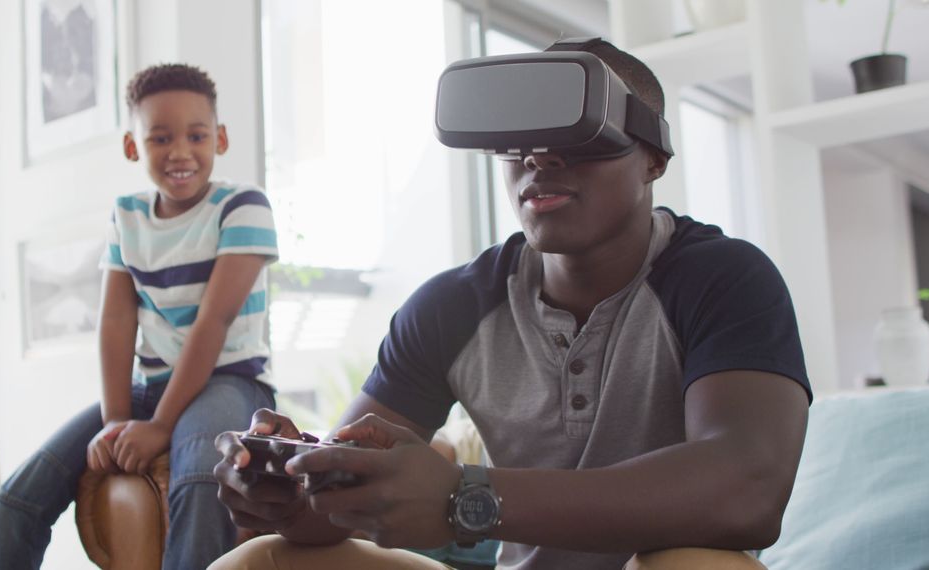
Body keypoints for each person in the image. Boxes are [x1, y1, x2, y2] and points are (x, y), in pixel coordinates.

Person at [211, 39, 811, 570]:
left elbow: (748, 492)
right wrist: (291, 490)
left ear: (653, 156)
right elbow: (344, 509)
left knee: (691, 568)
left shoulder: (725, 278)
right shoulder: (453, 305)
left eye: (579, 131)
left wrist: (468, 498)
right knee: (262, 561)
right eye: (520, 135)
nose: (539, 155)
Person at [0, 63, 279, 570]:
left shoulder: (243, 206)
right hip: (150, 387)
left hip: (231, 381)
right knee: (17, 500)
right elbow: (116, 322)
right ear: (131, 146)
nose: (179, 152)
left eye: (196, 135)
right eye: (160, 138)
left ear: (220, 139)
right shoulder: (127, 214)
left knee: (201, 481)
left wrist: (161, 425)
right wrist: (118, 419)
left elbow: (214, 321)